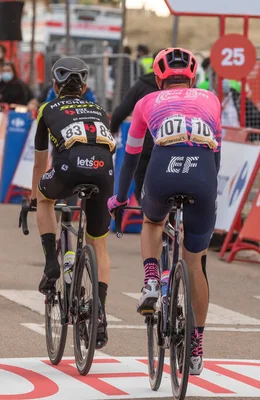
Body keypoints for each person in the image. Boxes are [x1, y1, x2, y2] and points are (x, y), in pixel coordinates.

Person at [107, 48, 221, 376]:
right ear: (193, 77)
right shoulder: (211, 99)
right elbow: (216, 155)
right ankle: (196, 346)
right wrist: (208, 195)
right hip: (202, 175)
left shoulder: (146, 102)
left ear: (159, 78)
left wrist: (118, 199)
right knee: (195, 261)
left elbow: (129, 157)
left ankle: (151, 280)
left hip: (162, 170)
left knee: (152, 220)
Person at [30, 57, 115, 350]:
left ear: (55, 87)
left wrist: (32, 196)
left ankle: (52, 264)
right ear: (85, 87)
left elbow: (41, 161)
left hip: (69, 169)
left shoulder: (47, 108)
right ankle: (99, 312)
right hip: (104, 173)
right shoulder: (101, 110)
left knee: (44, 198)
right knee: (98, 245)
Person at [109, 50, 162, 204]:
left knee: (143, 194)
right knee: (168, 196)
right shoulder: (184, 88)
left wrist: (113, 129)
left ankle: (150, 222)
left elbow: (121, 110)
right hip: (174, 147)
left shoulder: (142, 84)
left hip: (145, 147)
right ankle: (168, 224)